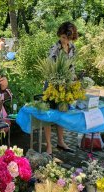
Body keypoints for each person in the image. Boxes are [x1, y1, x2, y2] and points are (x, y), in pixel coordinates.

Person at [44, 21, 78, 155]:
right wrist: (59, 81)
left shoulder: (73, 48)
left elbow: (72, 66)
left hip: (65, 86)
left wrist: (73, 79)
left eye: (67, 38)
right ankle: (48, 146)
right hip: (52, 86)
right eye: (63, 37)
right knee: (48, 114)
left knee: (62, 113)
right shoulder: (55, 48)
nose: (64, 40)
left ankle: (60, 141)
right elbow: (49, 69)